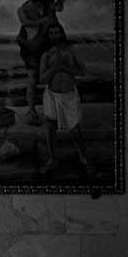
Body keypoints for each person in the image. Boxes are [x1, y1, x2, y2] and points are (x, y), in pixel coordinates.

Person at [37, 21, 92, 175]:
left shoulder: (71, 50)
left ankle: (84, 157)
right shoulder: (46, 53)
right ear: (48, 35)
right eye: (51, 33)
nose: (54, 36)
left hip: (69, 95)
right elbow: (42, 79)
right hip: (51, 95)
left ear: (61, 33)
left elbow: (83, 71)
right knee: (50, 128)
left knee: (75, 129)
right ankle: (52, 159)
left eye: (57, 32)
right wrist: (55, 67)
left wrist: (65, 67)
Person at [16, 0, 65, 124]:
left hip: (50, 42)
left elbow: (58, 8)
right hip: (32, 45)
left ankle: (55, 109)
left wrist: (61, 1)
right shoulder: (22, 9)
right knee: (32, 78)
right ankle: (31, 110)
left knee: (54, 74)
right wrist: (40, 22)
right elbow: (24, 21)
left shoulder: (47, 0)